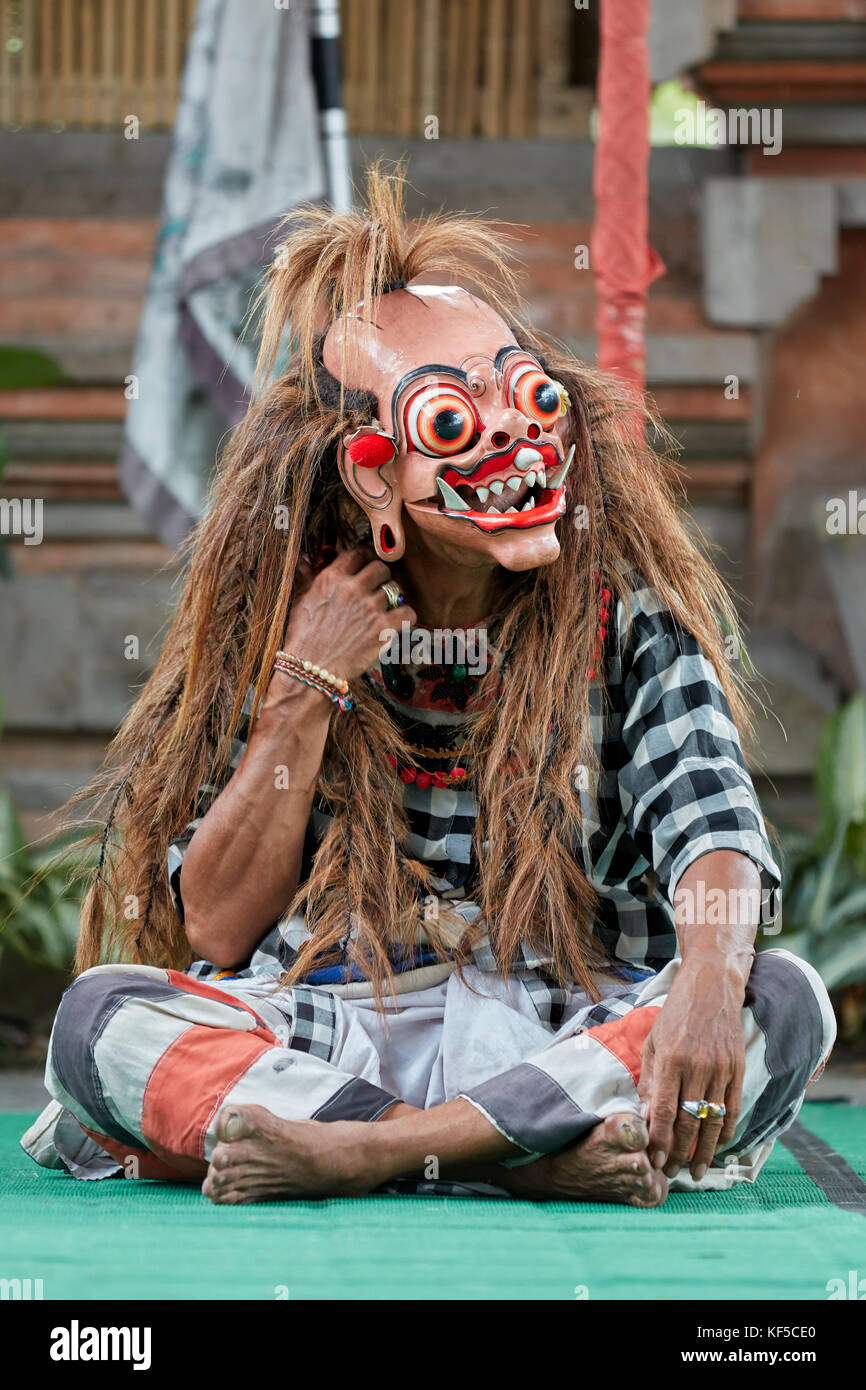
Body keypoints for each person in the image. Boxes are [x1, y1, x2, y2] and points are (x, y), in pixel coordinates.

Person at [23, 167, 834, 1206]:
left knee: (779, 999)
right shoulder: (283, 627)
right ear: (372, 474)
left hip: (561, 1029)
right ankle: (517, 1161)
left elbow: (712, 828)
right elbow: (216, 930)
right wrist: (306, 686)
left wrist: (712, 984)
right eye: (452, 419)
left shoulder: (627, 620)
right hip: (334, 1034)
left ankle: (368, 1156)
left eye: (529, 395)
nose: (515, 434)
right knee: (99, 1021)